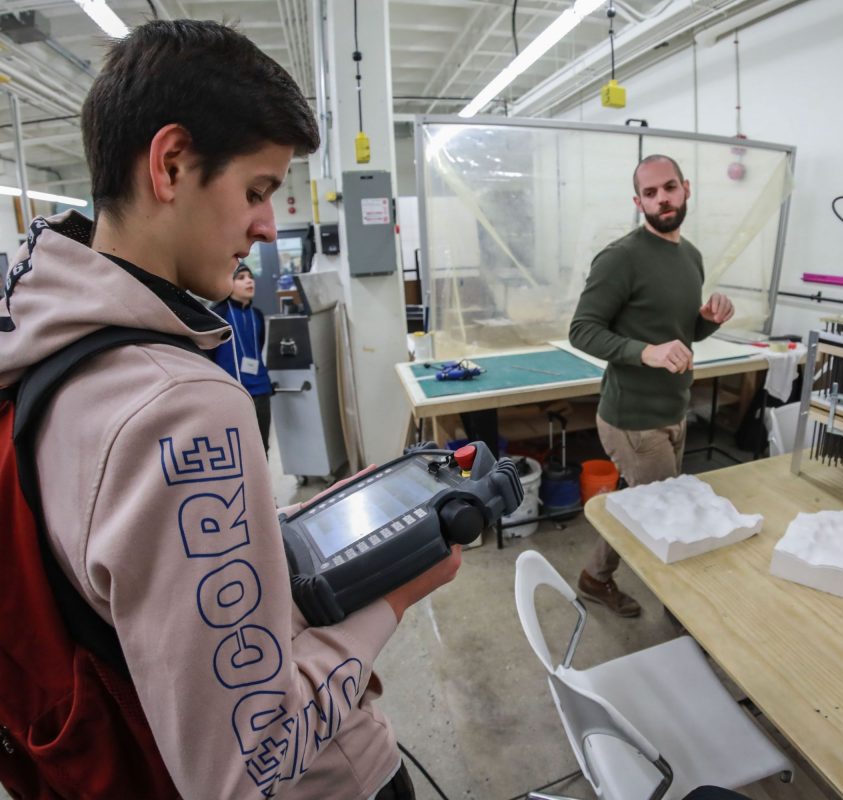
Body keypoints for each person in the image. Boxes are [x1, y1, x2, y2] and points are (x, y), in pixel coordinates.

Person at [0, 20, 458, 799]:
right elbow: (254, 768)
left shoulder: (42, 350)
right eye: (255, 190)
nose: (266, 225)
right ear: (171, 163)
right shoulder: (178, 405)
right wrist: (394, 598)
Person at [568, 154, 735, 617]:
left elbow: (681, 335)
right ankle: (683, 615)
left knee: (638, 503)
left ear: (686, 188)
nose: (662, 198)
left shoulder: (691, 257)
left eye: (669, 188)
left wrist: (706, 322)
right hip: (634, 420)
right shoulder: (621, 258)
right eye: (650, 192)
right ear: (638, 201)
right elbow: (582, 329)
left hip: (673, 410)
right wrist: (646, 351)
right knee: (668, 518)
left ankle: (593, 578)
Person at [209, 262, 273, 451]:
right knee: (239, 451)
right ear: (229, 282)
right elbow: (206, 357)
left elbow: (258, 347)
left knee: (262, 449)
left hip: (260, 390)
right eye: (241, 277)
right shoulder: (217, 316)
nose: (249, 281)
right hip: (232, 393)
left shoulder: (257, 315)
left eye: (251, 277)